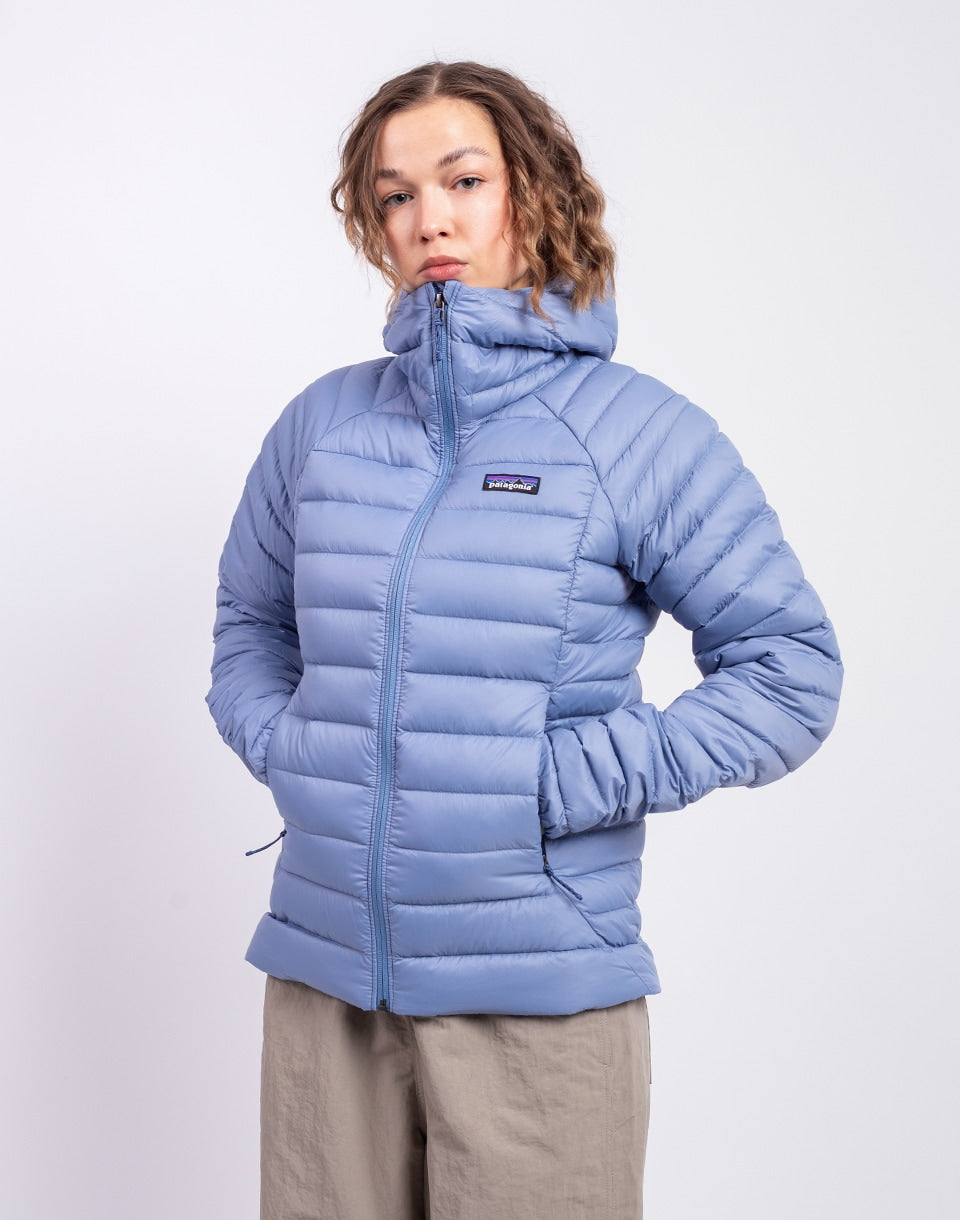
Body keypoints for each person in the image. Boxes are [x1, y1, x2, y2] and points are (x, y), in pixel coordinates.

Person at [207, 61, 842, 1220]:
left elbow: (790, 671)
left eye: (464, 180)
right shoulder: (323, 426)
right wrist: (297, 751)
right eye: (396, 194)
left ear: (534, 192)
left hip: (537, 993)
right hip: (324, 979)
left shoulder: (637, 433)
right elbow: (250, 626)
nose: (430, 219)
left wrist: (552, 781)